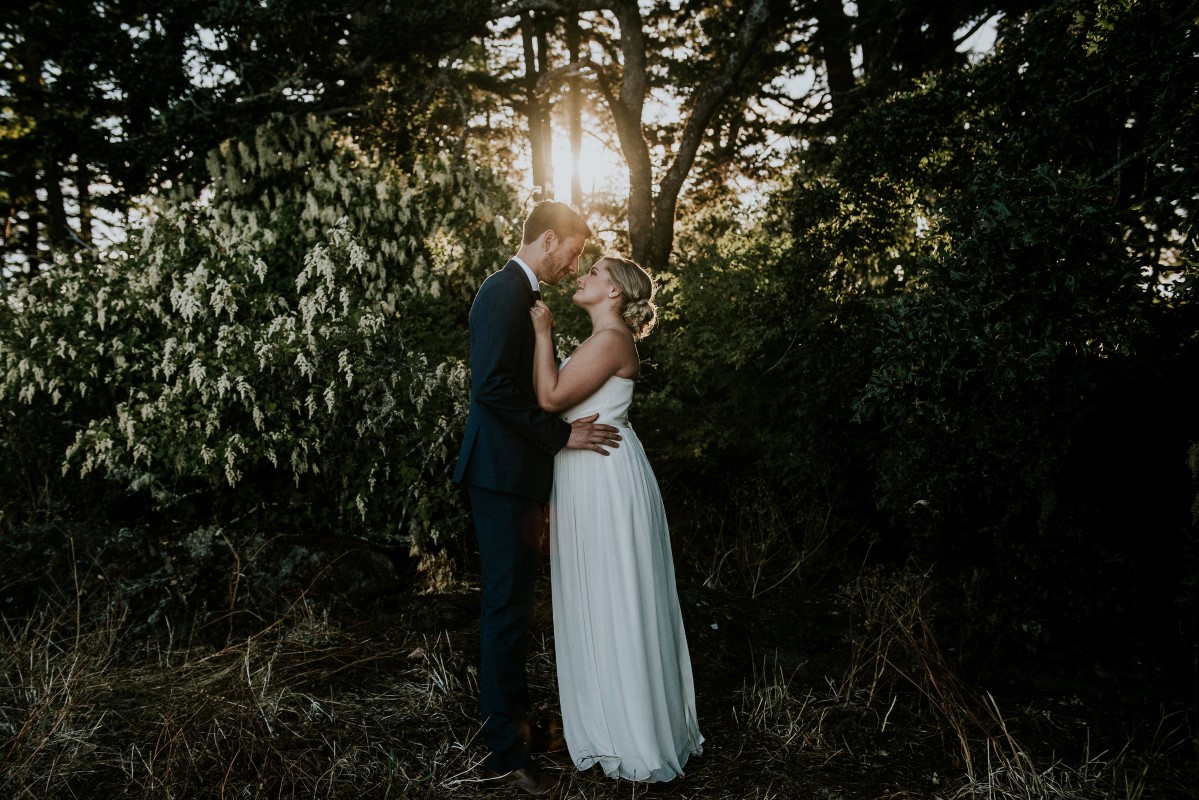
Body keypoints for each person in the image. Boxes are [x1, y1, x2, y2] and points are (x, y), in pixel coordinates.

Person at [452, 201, 622, 796]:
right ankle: (503, 752)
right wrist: (561, 435)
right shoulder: (503, 293)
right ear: (548, 240)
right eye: (573, 252)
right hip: (499, 474)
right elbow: (493, 388)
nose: (573, 265)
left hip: (517, 475)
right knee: (505, 608)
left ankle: (517, 728)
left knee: (516, 607)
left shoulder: (522, 295)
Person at [530, 256, 704, 782]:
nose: (581, 276)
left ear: (614, 293)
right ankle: (608, 722)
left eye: (595, 273)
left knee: (614, 592)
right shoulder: (603, 339)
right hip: (588, 472)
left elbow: (550, 397)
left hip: (603, 476)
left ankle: (630, 731)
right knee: (597, 592)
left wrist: (541, 334)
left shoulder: (610, 340)